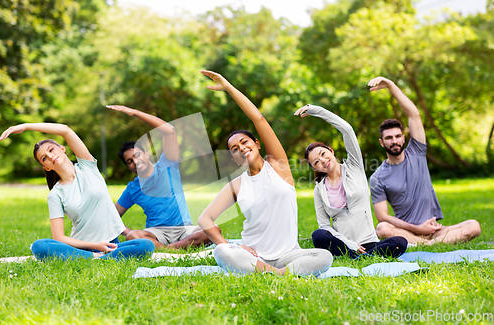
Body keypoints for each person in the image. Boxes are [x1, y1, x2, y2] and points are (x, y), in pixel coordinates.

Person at [197, 70, 332, 277]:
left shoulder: (278, 166)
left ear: (256, 144)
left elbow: (258, 118)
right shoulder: (237, 185)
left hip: (288, 254)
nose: (241, 148)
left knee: (324, 256)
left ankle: (271, 273)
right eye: (234, 149)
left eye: (244, 142)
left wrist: (229, 88)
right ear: (234, 158)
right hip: (254, 256)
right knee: (222, 251)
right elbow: (205, 219)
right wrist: (234, 247)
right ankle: (279, 274)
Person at [0, 123, 155, 261]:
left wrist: (26, 126)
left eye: (51, 149)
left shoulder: (88, 166)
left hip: (110, 243)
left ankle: (103, 256)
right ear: (46, 167)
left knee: (146, 245)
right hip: (81, 247)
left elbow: (65, 130)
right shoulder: (55, 194)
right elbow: (58, 237)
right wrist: (95, 246)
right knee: (39, 246)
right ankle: (97, 257)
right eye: (44, 158)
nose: (50, 156)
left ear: (62, 149)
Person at [368, 76, 482, 245]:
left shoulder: (416, 152)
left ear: (403, 137)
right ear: (381, 142)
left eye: (398, 136)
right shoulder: (378, 177)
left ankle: (426, 244)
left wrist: (391, 85)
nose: (394, 141)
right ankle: (427, 243)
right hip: (408, 232)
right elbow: (382, 216)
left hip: (435, 230)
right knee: (382, 228)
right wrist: (418, 230)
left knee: (474, 226)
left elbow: (414, 114)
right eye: (389, 138)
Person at [295, 104, 407, 259]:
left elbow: (347, 129)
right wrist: (349, 244)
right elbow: (325, 225)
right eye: (316, 162)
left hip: (369, 241)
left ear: (331, 151)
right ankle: (354, 254)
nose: (322, 160)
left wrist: (316, 110)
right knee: (318, 235)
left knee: (400, 242)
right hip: (345, 244)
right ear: (317, 169)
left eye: (323, 154)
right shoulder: (319, 190)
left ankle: (360, 255)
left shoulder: (354, 167)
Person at [107, 105, 216, 249]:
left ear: (146, 152)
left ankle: (167, 250)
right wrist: (128, 232)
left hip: (184, 229)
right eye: (129, 161)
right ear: (128, 167)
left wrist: (136, 112)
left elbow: (169, 130)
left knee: (213, 230)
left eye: (137, 155)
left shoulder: (167, 164)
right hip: (156, 233)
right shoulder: (132, 188)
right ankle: (176, 248)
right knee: (133, 236)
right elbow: (113, 217)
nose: (135, 162)